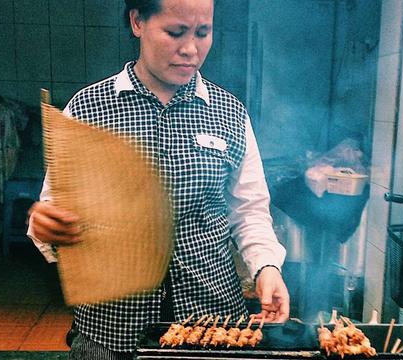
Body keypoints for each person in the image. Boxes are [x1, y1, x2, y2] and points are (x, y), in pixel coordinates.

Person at [27, 0, 290, 358]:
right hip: (111, 330)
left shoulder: (229, 112)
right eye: (175, 32)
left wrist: (266, 268)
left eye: (203, 32)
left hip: (211, 323)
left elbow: (250, 211)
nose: (191, 49)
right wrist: (47, 223)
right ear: (137, 21)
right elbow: (54, 209)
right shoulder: (88, 108)